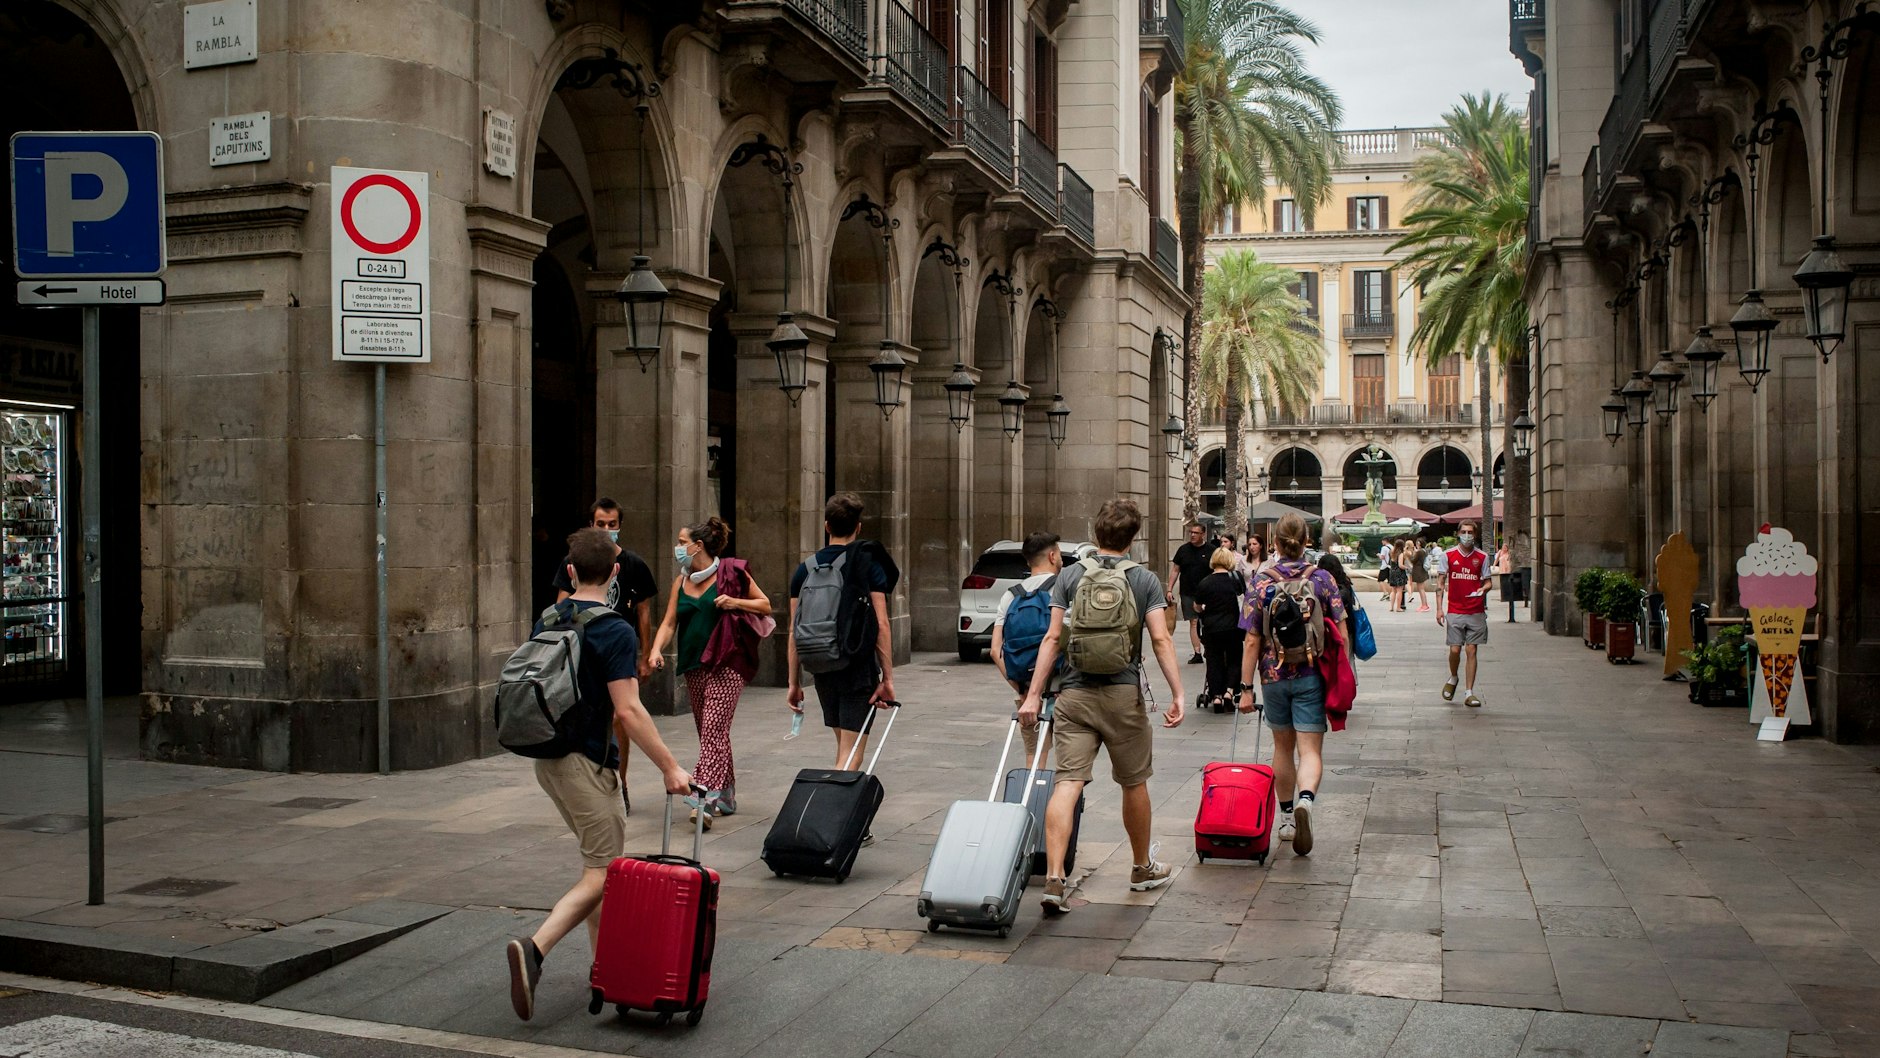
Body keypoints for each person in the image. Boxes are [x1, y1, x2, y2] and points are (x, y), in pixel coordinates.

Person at [506, 528, 693, 1022]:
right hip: (587, 763)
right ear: (615, 573)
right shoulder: (615, 629)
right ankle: (535, 950)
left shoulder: (549, 617)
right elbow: (628, 711)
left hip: (548, 759)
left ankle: (604, 970)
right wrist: (671, 767)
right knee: (604, 872)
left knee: (598, 865)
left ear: (569, 572)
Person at [1021, 498, 1185, 913]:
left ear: (1096, 534)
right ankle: (1140, 867)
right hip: (1122, 695)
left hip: (1073, 695)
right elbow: (1161, 640)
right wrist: (1178, 693)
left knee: (1067, 783)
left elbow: (1053, 639)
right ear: (1132, 539)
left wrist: (1033, 694)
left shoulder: (1070, 576)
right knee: (1134, 782)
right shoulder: (1144, 580)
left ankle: (1055, 878)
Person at [1237, 513, 1349, 857]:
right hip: (1311, 674)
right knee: (1310, 751)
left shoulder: (1261, 582)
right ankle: (1306, 801)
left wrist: (1245, 688)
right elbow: (1341, 633)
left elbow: (1252, 640)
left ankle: (1286, 818)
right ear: (1306, 542)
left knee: (1282, 748)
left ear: (1275, 544)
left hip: (1273, 677)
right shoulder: (1323, 579)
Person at [647, 516, 771, 827]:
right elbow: (669, 622)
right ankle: (726, 795)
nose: (677, 547)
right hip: (694, 665)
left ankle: (703, 798)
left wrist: (734, 601)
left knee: (714, 729)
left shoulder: (732, 572)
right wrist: (655, 649)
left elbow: (765, 604)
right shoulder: (681, 581)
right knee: (710, 732)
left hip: (727, 662)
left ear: (698, 545)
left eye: (681, 542)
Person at [551, 498, 659, 813]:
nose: (607, 530)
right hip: (583, 648)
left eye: (612, 524)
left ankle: (618, 780)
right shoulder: (575, 562)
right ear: (591, 524)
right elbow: (561, 602)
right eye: (601, 524)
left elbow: (643, 611)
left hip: (617, 648)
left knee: (619, 716)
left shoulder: (633, 564)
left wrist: (645, 653)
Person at [787, 493, 900, 785]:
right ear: (858, 528)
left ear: (827, 526)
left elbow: (794, 629)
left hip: (821, 666)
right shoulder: (866, 564)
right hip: (856, 668)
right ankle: (830, 819)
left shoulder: (804, 569)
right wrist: (887, 678)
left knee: (843, 747)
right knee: (851, 756)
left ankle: (848, 824)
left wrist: (794, 682)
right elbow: (882, 624)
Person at [991, 531, 1064, 767]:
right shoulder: (1063, 591)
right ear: (1052, 556)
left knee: (1034, 755)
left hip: (1025, 689)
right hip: (1062, 688)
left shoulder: (1010, 595)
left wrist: (1023, 689)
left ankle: (1031, 799)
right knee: (1070, 759)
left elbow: (995, 650)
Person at [1435, 520, 1493, 708]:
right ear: (1458, 533)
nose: (1467, 535)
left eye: (1470, 532)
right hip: (1455, 610)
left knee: (1471, 649)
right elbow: (1441, 583)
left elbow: (1488, 581)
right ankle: (1453, 677)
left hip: (1475, 610)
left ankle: (1469, 692)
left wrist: (1483, 589)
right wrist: (1439, 608)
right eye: (1464, 532)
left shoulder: (1482, 557)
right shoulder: (1448, 555)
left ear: (1475, 535)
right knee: (1454, 649)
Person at [1192, 547, 1246, 712]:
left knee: (1214, 661)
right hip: (1233, 627)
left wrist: (1204, 608)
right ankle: (1230, 692)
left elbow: (1197, 607)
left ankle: (1216, 697)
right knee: (1234, 659)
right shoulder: (1236, 580)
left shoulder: (1205, 582)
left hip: (1212, 628)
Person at [1168, 521, 1216, 664]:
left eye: (1196, 533)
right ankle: (1197, 652)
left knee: (1208, 622)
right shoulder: (1183, 550)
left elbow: (1216, 571)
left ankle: (1209, 647)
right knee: (1193, 622)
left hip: (1207, 593)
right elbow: (1175, 570)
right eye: (1191, 532)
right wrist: (1169, 588)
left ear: (1203, 534)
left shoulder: (1211, 550)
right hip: (1188, 592)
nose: (1193, 535)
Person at [1409, 540, 1432, 612]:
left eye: (1417, 543)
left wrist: (1412, 554)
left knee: (1421, 589)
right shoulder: (1424, 551)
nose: (1416, 545)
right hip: (1422, 571)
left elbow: (1413, 560)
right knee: (1421, 589)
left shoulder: (1419, 552)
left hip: (1419, 571)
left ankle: (1424, 605)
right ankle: (1424, 605)